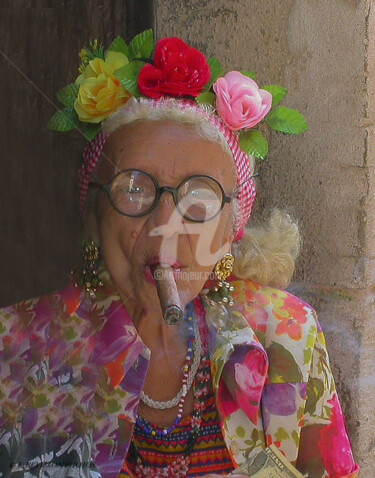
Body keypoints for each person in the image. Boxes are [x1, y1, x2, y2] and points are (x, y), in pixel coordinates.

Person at [0, 32, 359, 478]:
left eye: (200, 199)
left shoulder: (288, 333)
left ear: (231, 229)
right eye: (133, 189)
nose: (165, 225)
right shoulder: (15, 345)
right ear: (93, 217)